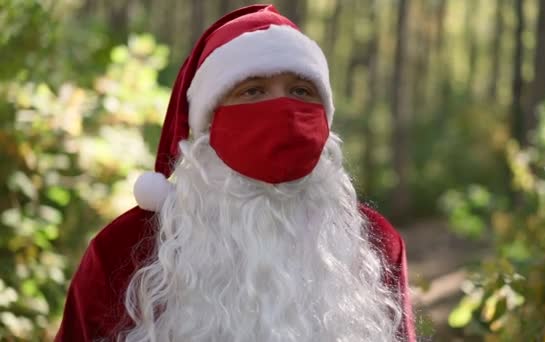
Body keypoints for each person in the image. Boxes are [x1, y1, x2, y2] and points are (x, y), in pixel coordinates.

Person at [55, 4, 416, 342]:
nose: (284, 112)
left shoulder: (374, 243)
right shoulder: (123, 249)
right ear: (210, 121)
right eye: (253, 90)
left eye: (301, 90)